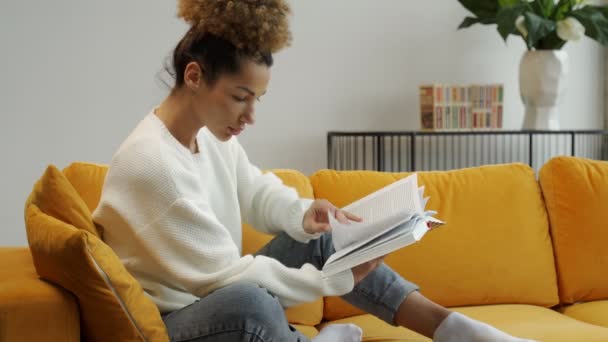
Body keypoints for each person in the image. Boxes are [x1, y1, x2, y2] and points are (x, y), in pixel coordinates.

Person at [92, 1, 537, 341]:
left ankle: (450, 328)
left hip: (213, 293)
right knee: (250, 304)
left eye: (257, 100)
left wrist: (304, 214)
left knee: (324, 237)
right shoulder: (152, 166)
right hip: (178, 321)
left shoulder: (207, 134)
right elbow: (229, 280)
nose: (249, 116)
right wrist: (336, 279)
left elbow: (254, 190)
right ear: (194, 76)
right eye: (240, 96)